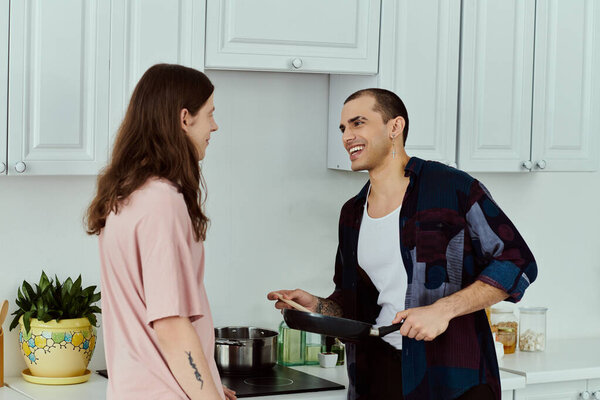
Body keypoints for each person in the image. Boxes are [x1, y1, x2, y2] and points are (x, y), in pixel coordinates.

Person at [268, 88, 537, 400]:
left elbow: (517, 262)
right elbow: (355, 305)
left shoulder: (452, 189)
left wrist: (443, 310)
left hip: (452, 379)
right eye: (343, 128)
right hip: (379, 375)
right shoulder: (352, 213)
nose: (347, 136)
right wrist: (317, 307)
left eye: (358, 123)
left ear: (394, 127)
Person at [86, 64, 236, 400]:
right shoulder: (161, 202)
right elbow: (169, 324)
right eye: (209, 114)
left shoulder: (126, 195)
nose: (214, 125)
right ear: (185, 119)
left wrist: (208, 385)